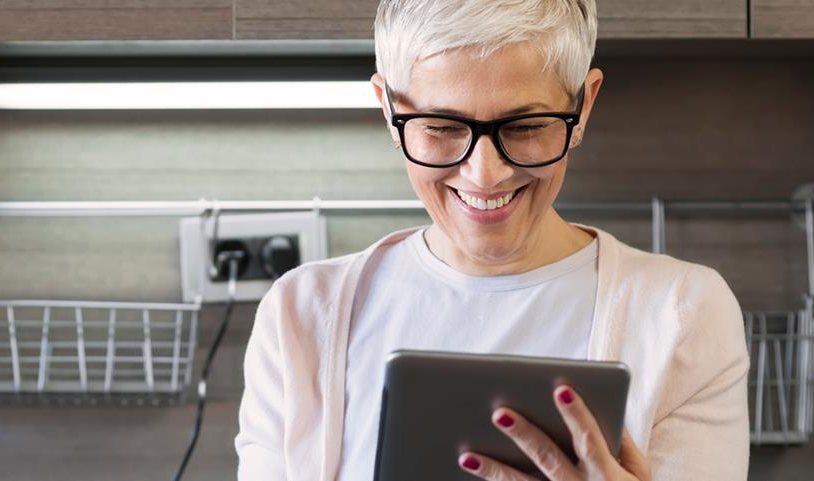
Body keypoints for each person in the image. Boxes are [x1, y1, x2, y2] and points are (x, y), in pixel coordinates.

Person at [233, 1, 751, 480]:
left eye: (525, 126)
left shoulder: (683, 313)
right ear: (389, 111)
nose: (485, 174)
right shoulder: (301, 315)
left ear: (584, 106)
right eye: (441, 127)